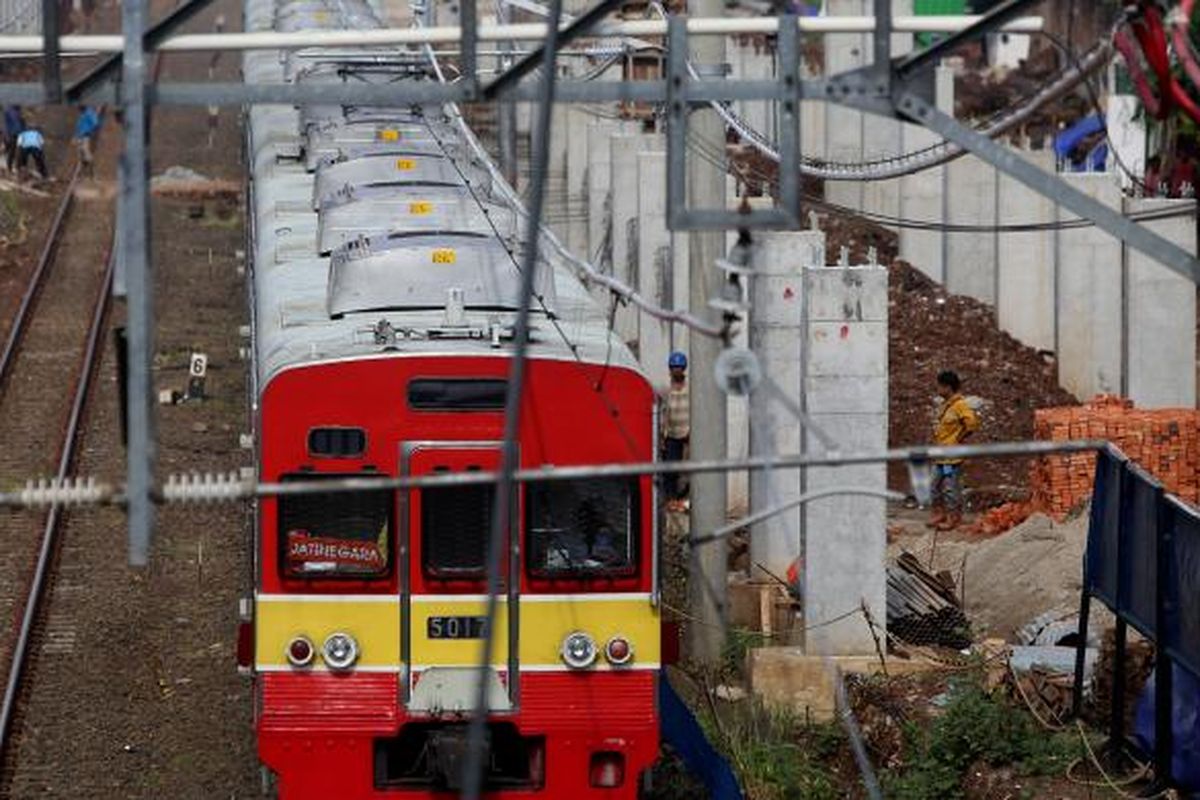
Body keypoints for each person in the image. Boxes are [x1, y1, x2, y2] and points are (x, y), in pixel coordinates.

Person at [928, 370, 980, 532]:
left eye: (939, 386)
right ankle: (939, 513)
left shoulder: (960, 405)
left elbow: (972, 424)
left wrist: (960, 438)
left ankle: (953, 517)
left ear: (947, 387)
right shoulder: (947, 404)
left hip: (951, 458)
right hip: (940, 455)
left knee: (950, 487)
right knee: (933, 486)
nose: (937, 389)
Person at [660, 351, 690, 507]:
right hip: (672, 434)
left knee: (689, 470)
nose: (677, 370)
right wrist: (661, 436)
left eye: (679, 367)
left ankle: (684, 499)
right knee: (670, 469)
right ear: (670, 369)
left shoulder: (691, 388)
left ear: (684, 368)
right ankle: (671, 500)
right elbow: (664, 413)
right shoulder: (666, 390)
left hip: (688, 434)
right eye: (674, 367)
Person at [73, 105, 101, 179]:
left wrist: (89, 130)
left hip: (85, 136)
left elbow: (95, 123)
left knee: (86, 153)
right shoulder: (82, 115)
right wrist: (75, 137)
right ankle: (81, 174)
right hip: (80, 136)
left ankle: (93, 172)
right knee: (80, 155)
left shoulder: (89, 113)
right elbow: (78, 126)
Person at [3, 105, 23, 174]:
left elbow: (20, 123)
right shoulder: (8, 110)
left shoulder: (18, 110)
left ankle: (17, 167)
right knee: (12, 150)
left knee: (19, 151)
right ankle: (9, 167)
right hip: (11, 134)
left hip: (19, 134)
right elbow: (6, 124)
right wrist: (7, 134)